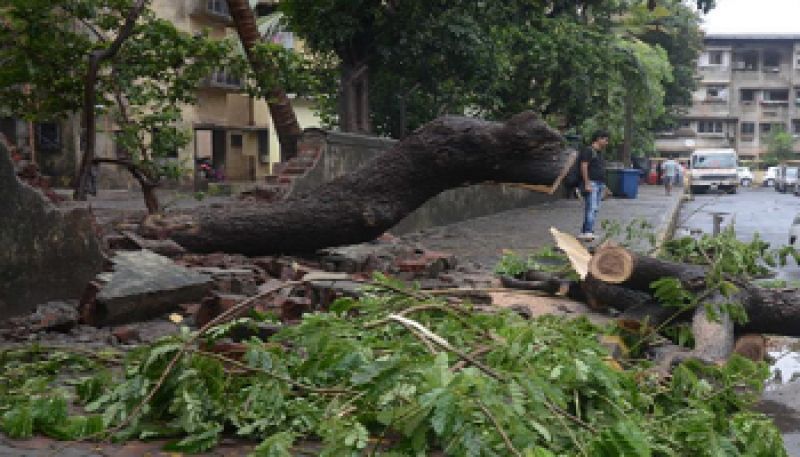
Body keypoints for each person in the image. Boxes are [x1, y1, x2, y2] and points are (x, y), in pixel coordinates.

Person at [578, 130, 610, 241]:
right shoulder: (588, 151)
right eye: (605, 140)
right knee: (591, 207)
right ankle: (587, 231)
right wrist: (587, 183)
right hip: (592, 183)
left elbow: (600, 169)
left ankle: (586, 231)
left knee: (595, 208)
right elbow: (584, 166)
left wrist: (605, 187)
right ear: (598, 139)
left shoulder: (600, 152)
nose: (607, 143)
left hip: (599, 183)